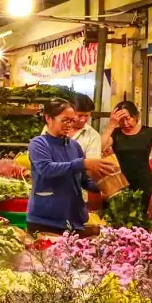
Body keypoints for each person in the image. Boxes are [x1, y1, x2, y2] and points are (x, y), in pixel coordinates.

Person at [27, 99, 118, 235]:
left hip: (74, 219)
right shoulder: (38, 144)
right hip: (46, 219)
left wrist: (106, 184)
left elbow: (83, 180)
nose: (69, 125)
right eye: (64, 120)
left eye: (71, 120)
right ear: (48, 118)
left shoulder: (74, 146)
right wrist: (83, 163)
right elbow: (47, 169)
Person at [40, 93, 101, 159]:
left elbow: (92, 165)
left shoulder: (93, 136)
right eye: (79, 115)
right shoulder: (51, 128)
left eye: (86, 116)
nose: (83, 120)